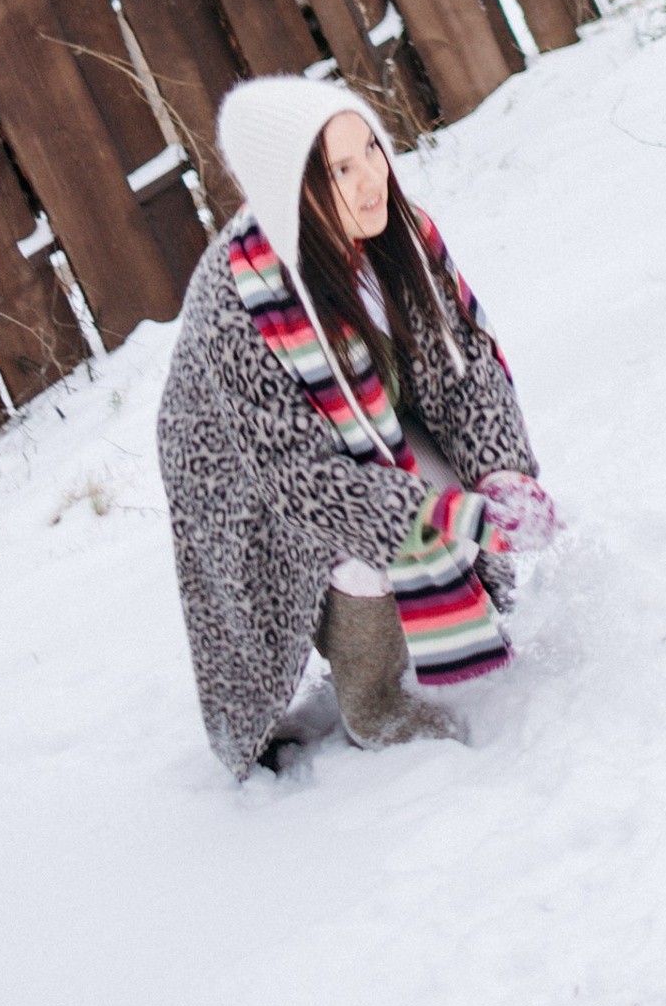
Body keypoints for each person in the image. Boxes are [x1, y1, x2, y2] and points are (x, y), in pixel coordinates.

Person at [156, 76, 555, 775]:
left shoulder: (402, 235)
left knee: (448, 491)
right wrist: (445, 515)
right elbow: (305, 484)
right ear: (290, 186)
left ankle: (430, 616)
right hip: (250, 479)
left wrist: (498, 474)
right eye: (341, 169)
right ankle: (373, 701)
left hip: (371, 416)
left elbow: (466, 366)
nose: (372, 178)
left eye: (370, 147)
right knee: (369, 546)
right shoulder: (239, 304)